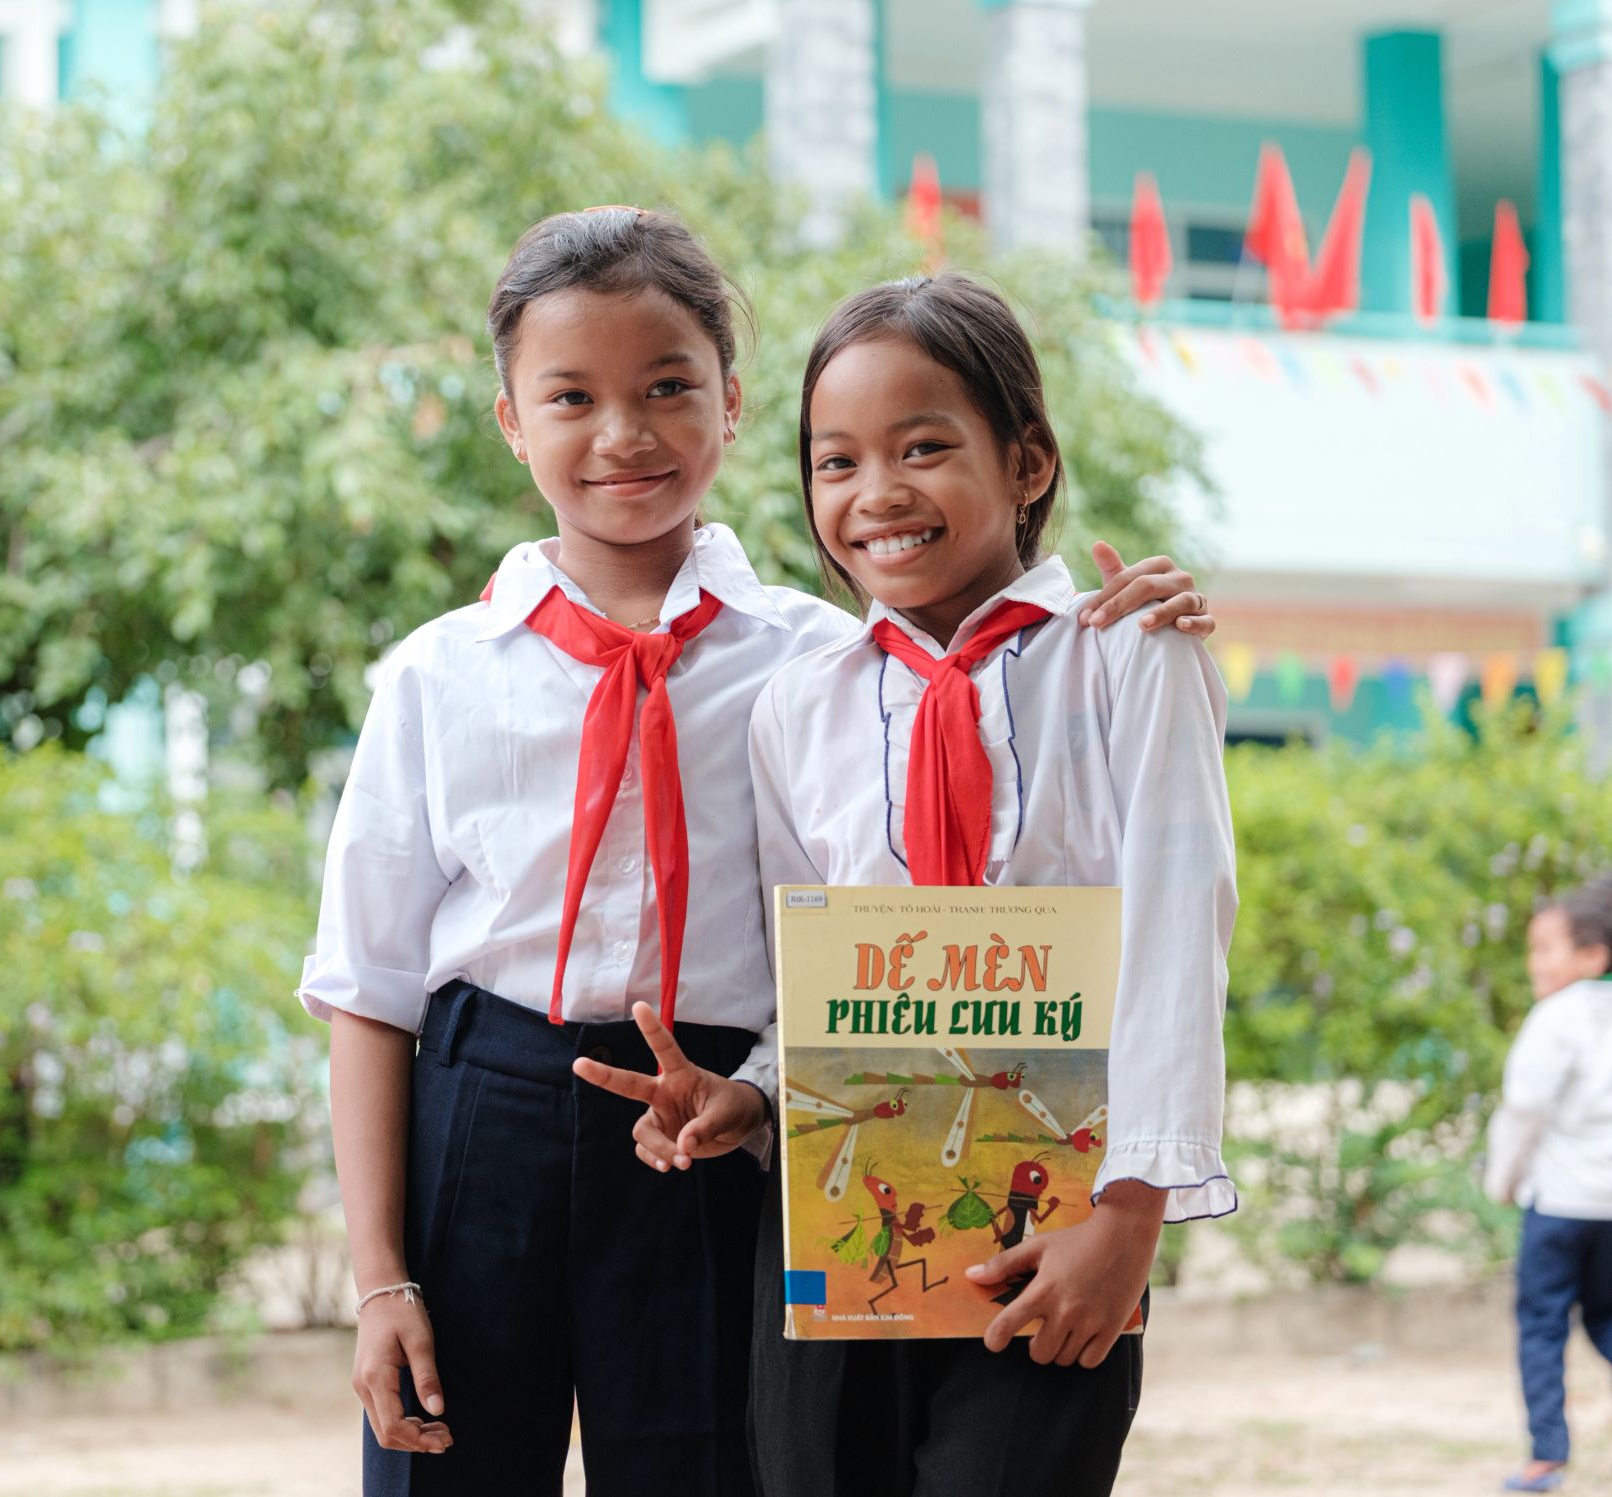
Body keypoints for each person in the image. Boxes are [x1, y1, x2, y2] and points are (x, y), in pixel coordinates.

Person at [298, 210, 1212, 1497]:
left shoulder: (812, 661)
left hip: (722, 1127)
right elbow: (366, 983)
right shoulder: (442, 674)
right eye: (570, 397)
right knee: (445, 1463)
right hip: (483, 1106)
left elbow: (857, 919)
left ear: (730, 406)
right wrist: (378, 1276)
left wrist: (1143, 616)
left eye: (668, 389)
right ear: (511, 421)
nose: (623, 434)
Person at [579, 271, 1237, 1497]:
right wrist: (754, 1098)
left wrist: (1130, 1220)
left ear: (1027, 461)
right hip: (841, 1221)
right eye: (835, 462)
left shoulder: (1128, 659)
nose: (875, 494)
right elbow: (812, 971)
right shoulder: (798, 705)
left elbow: (1174, 946)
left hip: (1051, 1219)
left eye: (923, 447)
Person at [1485, 875, 1612, 1494]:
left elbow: (1523, 1112)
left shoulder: (1555, 1017)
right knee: (1607, 1321)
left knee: (1542, 1324)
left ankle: (1546, 1457)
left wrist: (1501, 1181)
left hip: (1559, 1208)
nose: (1534, 963)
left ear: (1594, 955)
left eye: (1545, 950)